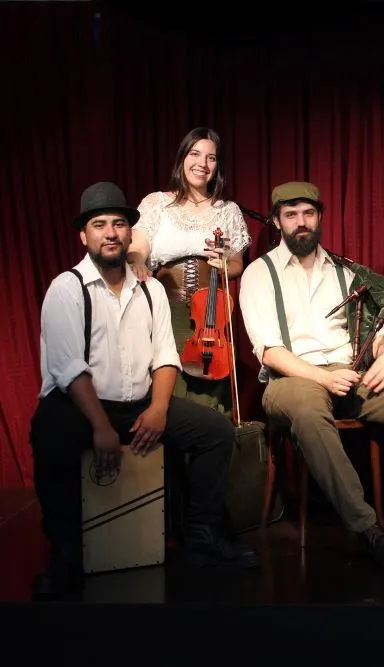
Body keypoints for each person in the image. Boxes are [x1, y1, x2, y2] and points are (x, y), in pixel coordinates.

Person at [29, 182, 259, 601]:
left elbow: (165, 357)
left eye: (119, 224)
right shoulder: (66, 288)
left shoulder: (150, 290)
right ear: (84, 236)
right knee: (49, 429)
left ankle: (201, 537)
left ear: (129, 233)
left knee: (215, 433)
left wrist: (158, 410)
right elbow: (69, 368)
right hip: (82, 407)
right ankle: (65, 553)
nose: (111, 233)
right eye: (100, 225)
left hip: (138, 404)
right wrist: (100, 426)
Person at [238, 181, 384, 567]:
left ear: (320, 217)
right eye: (291, 215)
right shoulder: (259, 273)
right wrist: (322, 378)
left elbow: (374, 331)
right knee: (308, 411)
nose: (301, 222)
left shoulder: (345, 272)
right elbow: (270, 351)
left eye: (308, 213)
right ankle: (367, 526)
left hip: (349, 373)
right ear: (276, 221)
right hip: (290, 379)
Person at [126, 126, 251, 419]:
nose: (202, 163)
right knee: (167, 395)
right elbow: (137, 248)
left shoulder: (228, 210)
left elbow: (237, 265)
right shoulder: (157, 203)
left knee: (208, 402)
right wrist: (137, 262)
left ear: (217, 166)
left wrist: (225, 263)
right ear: (182, 158)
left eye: (211, 158)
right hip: (165, 309)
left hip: (211, 316)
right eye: (195, 154)